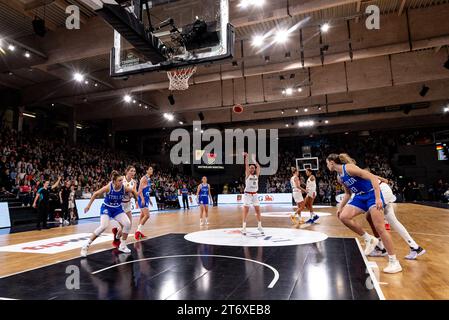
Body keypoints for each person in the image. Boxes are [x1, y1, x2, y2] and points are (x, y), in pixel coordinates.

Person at [326, 153, 402, 274]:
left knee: (380, 228)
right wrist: (340, 207)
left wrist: (378, 198)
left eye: (326, 163)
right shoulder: (339, 177)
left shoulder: (349, 168)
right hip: (360, 197)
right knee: (344, 216)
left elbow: (372, 178)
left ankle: (394, 262)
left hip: (372, 194)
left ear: (331, 162)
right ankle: (369, 239)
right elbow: (348, 193)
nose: (326, 166)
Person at [364, 168, 426, 260]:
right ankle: (415, 247)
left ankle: (381, 248)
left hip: (382, 191)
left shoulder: (351, 172)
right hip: (384, 189)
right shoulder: (355, 172)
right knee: (392, 222)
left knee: (371, 217)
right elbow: (380, 179)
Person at [81, 171, 138, 257]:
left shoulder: (124, 188)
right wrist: (88, 205)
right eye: (119, 181)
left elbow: (133, 191)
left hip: (117, 209)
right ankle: (86, 245)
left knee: (127, 223)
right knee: (104, 226)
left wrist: (136, 200)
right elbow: (96, 194)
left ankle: (122, 245)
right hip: (107, 208)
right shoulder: (108, 187)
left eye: (122, 180)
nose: (122, 182)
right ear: (114, 181)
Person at [112, 166, 137, 248]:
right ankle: (118, 238)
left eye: (134, 171)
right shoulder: (121, 179)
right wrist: (125, 192)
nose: (133, 172)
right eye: (131, 171)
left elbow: (134, 193)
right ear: (127, 171)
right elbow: (115, 189)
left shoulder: (134, 182)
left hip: (128, 204)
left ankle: (117, 234)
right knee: (124, 226)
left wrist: (134, 197)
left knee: (129, 225)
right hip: (119, 205)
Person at [241, 152, 263, 235]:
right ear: (249, 169)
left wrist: (254, 160)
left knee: (258, 210)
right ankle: (243, 227)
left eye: (253, 168)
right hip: (247, 194)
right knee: (246, 211)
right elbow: (246, 165)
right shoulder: (247, 175)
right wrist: (246, 157)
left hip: (255, 194)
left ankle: (259, 226)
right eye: (251, 168)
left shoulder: (256, 176)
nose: (252, 169)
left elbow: (259, 167)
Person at [135, 166, 153, 240]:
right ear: (146, 171)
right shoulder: (144, 178)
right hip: (142, 199)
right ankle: (138, 232)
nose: (152, 170)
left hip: (146, 198)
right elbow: (139, 190)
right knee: (147, 215)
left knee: (142, 216)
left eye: (152, 169)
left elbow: (146, 191)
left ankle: (139, 232)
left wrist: (150, 200)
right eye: (150, 169)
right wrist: (142, 199)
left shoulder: (149, 179)